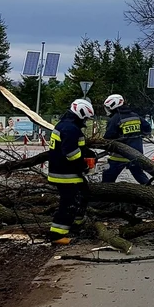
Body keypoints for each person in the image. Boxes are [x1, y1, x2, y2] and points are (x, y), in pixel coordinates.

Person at [47, 99, 97, 245]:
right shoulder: (70, 129)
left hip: (66, 172)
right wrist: (84, 166)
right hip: (65, 174)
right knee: (69, 203)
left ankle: (76, 224)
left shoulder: (67, 126)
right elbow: (71, 153)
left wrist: (89, 154)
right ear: (81, 113)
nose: (86, 121)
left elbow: (78, 148)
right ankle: (57, 235)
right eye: (86, 117)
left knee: (84, 195)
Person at [101, 94, 153, 184]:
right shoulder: (135, 116)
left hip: (119, 155)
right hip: (136, 154)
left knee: (107, 177)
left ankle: (104, 195)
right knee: (139, 175)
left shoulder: (115, 119)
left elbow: (108, 137)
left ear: (114, 106)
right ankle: (153, 191)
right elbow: (147, 128)